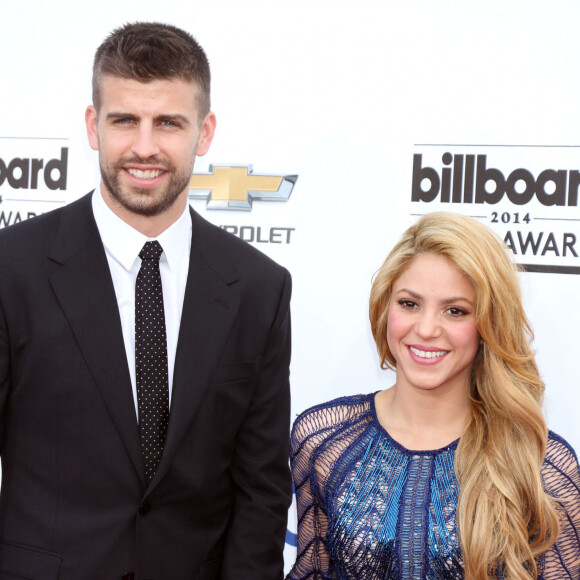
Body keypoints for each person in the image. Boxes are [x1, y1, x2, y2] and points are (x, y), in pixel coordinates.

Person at [0, 22, 292, 579]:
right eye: (125, 120)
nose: (144, 147)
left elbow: (261, 489)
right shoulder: (11, 268)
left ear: (204, 133)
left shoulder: (258, 288)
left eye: (169, 123)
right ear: (93, 126)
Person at [286, 212, 580, 579]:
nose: (426, 329)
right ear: (384, 306)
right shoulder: (324, 441)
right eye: (409, 304)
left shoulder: (540, 467)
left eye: (455, 311)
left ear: (488, 324)